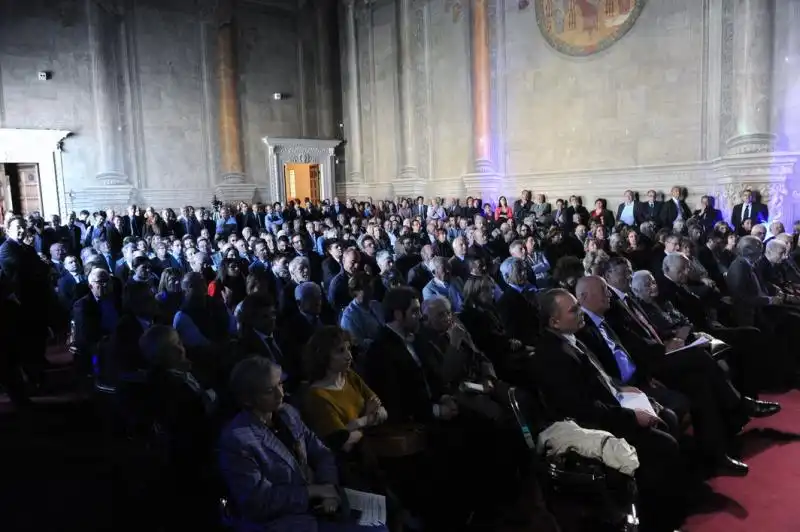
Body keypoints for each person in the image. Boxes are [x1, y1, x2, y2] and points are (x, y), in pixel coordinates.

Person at [219, 356, 379, 532]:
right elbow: (259, 501)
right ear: (247, 399)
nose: (280, 394)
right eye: (269, 390)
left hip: (321, 503)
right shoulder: (237, 440)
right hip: (282, 521)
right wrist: (314, 491)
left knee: (380, 516)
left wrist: (328, 489)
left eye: (280, 384)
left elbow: (322, 454)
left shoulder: (288, 413)